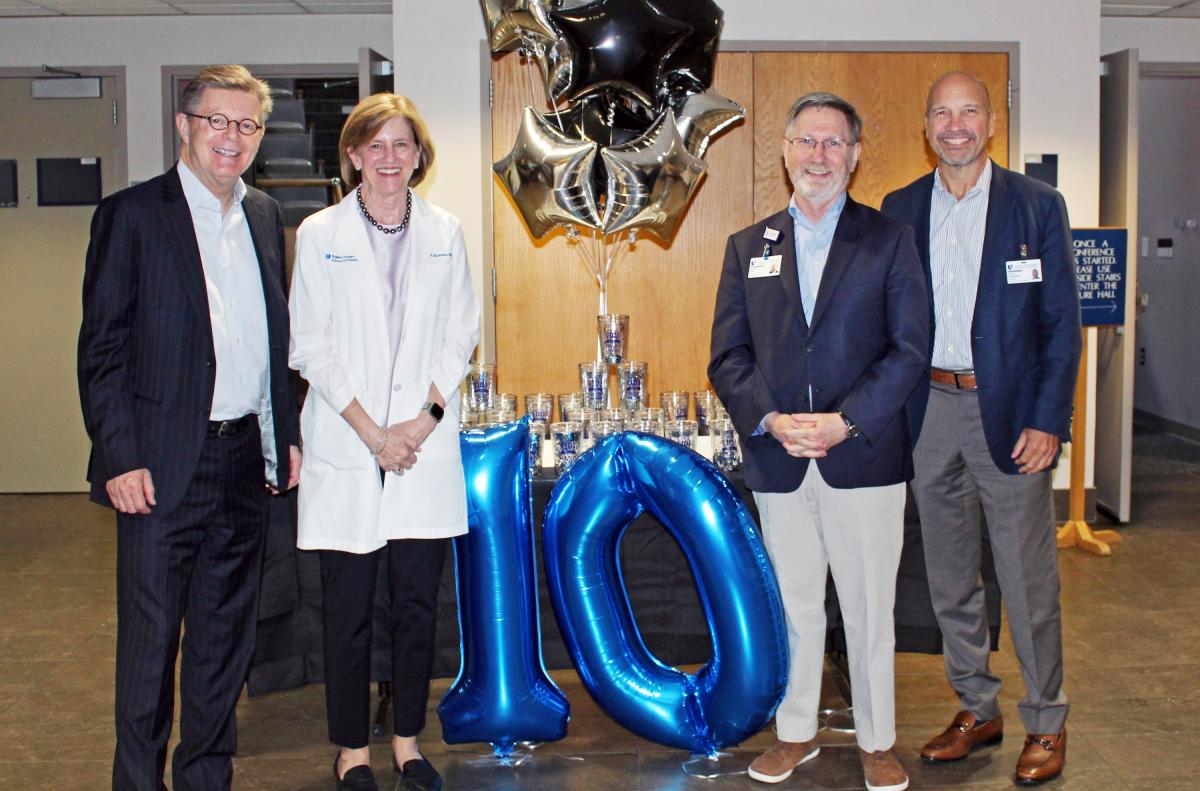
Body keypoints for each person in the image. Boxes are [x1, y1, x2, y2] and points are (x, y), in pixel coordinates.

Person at [77, 64, 300, 790]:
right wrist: (119, 456)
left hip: (242, 463)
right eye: (217, 121)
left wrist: (283, 433)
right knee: (149, 652)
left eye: (247, 125)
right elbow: (102, 349)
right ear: (184, 125)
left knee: (221, 646)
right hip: (158, 470)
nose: (231, 138)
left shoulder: (265, 215)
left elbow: (272, 339)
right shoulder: (133, 215)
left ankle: (206, 777)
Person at [709, 92, 929, 791]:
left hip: (861, 456)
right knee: (795, 605)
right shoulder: (749, 247)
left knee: (869, 610)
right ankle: (795, 731)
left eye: (834, 144)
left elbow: (908, 349)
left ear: (856, 155)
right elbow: (728, 356)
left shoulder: (889, 240)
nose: (819, 157)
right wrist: (770, 419)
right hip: (780, 461)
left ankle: (877, 740)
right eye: (807, 142)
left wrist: (846, 420)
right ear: (784, 151)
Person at [881, 71, 1081, 785]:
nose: (955, 124)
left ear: (990, 123)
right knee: (948, 577)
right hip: (929, 412)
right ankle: (976, 705)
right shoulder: (899, 208)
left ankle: (1046, 721)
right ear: (926, 126)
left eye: (969, 111)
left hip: (1012, 421)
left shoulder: (1036, 206)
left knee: (1027, 581)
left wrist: (1048, 420)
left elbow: (1062, 326)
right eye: (942, 112)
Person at [289, 93, 479, 791]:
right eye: (375, 146)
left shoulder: (445, 231)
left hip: (419, 446)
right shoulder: (319, 232)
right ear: (354, 155)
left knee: (414, 608)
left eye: (402, 145)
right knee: (347, 610)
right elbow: (310, 347)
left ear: (419, 155)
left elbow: (461, 335)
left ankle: (405, 740)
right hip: (349, 443)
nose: (389, 158)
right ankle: (350, 749)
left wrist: (420, 425)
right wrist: (373, 434)